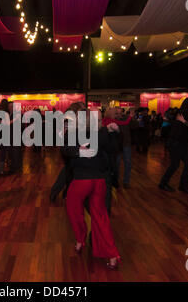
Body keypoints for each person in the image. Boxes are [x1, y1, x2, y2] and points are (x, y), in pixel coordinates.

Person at [62, 107, 121, 270]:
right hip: (99, 180)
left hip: (82, 180)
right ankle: (112, 255)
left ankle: (80, 240)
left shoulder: (75, 132)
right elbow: (113, 150)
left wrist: (78, 152)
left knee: (74, 210)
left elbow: (65, 150)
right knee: (101, 216)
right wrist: (113, 132)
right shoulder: (101, 133)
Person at [159, 98, 188, 195]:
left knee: (185, 164)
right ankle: (166, 184)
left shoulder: (179, 112)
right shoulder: (187, 113)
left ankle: (180, 185)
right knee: (181, 164)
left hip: (176, 142)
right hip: (178, 143)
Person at [115, 107, 138, 189]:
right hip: (116, 145)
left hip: (126, 144)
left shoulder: (127, 118)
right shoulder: (112, 119)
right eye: (117, 113)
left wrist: (133, 117)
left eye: (120, 113)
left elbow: (135, 126)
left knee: (128, 163)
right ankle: (116, 181)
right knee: (116, 164)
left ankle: (126, 181)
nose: (119, 115)